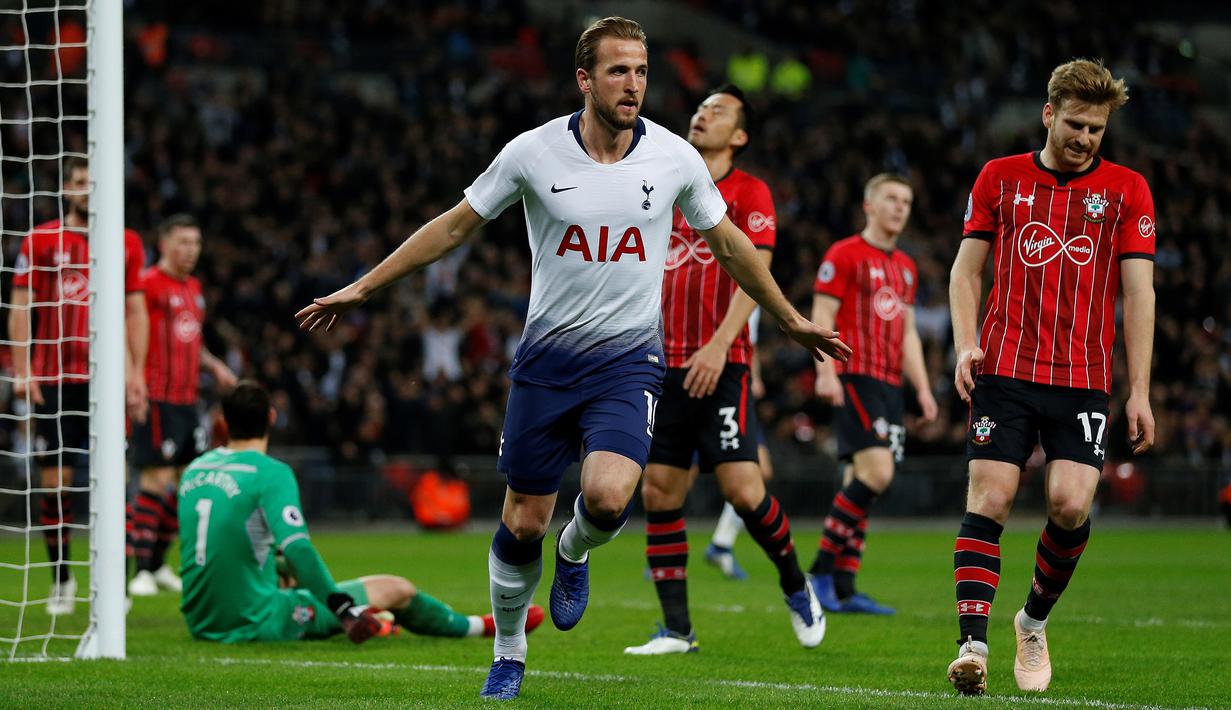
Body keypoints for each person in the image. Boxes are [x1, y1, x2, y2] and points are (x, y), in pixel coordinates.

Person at [296, 17, 849, 700]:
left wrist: (789, 319)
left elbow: (732, 245)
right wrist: (364, 286)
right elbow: (454, 227)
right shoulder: (533, 152)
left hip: (628, 364)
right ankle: (508, 651)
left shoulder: (673, 158)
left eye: (641, 71)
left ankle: (574, 548)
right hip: (545, 367)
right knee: (522, 520)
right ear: (584, 79)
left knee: (610, 497)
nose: (633, 84)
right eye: (618, 71)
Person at [946, 59, 1155, 695]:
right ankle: (973, 647)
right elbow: (965, 272)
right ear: (1048, 114)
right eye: (1075, 124)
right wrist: (965, 345)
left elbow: (1138, 294)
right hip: (1005, 367)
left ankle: (1032, 621)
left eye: (1096, 129)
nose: (1085, 138)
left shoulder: (1127, 190)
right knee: (990, 498)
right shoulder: (1000, 177)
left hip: (1083, 376)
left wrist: (1140, 390)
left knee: (1069, 505)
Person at [624, 85, 824, 656]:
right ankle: (676, 630)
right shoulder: (662, 184)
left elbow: (755, 273)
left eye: (718, 111)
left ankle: (796, 585)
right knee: (659, 491)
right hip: (659, 363)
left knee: (742, 489)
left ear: (739, 136)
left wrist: (717, 346)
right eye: (700, 108)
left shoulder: (748, 191)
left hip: (722, 364)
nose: (702, 114)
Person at [178, 380, 545, 643]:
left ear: (223, 422)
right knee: (397, 588)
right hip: (252, 620)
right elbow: (298, 547)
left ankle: (377, 621)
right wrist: (341, 607)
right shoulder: (270, 473)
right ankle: (479, 626)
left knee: (285, 572)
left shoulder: (196, 469)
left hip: (200, 620)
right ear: (272, 417)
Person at [8, 157, 148, 616]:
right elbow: (21, 305)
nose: (89, 189)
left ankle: (117, 586)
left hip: (106, 380)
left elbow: (134, 311)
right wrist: (23, 370)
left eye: (95, 182)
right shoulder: (41, 239)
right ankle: (62, 580)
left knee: (117, 482)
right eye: (82, 182)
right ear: (67, 188)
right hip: (54, 380)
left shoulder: (125, 241)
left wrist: (136, 373)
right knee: (56, 484)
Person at [808, 174, 938, 614]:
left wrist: (923, 388)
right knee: (877, 474)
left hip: (890, 384)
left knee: (860, 481)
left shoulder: (906, 267)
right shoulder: (844, 254)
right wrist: (825, 372)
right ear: (869, 205)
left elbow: (908, 334)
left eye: (907, 201)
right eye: (891, 198)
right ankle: (819, 573)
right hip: (855, 375)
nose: (900, 207)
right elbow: (822, 314)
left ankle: (844, 587)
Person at [127, 214, 239, 597]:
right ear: (164, 244)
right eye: (184, 242)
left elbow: (192, 338)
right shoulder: (146, 284)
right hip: (157, 396)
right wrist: (134, 383)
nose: (191, 250)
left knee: (189, 483)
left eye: (196, 243)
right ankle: (140, 570)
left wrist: (215, 365)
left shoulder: (194, 288)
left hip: (188, 400)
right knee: (156, 480)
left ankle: (158, 563)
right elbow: (130, 331)